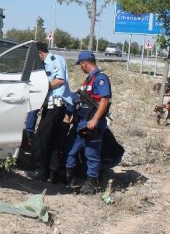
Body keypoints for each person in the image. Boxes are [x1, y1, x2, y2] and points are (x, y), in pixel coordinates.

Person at [65, 50, 112, 194]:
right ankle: (69, 180)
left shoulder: (100, 78)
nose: (80, 67)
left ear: (85, 63)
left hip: (92, 123)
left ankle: (91, 184)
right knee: (70, 150)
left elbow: (104, 100)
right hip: (81, 121)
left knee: (91, 153)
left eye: (80, 64)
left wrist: (95, 120)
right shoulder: (87, 81)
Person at [29, 42, 73, 182]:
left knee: (41, 139)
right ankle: (51, 174)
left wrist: (43, 87)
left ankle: (40, 171)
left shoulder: (54, 60)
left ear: (40, 53)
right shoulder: (43, 65)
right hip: (52, 106)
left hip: (56, 106)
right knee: (52, 140)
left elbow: (60, 80)